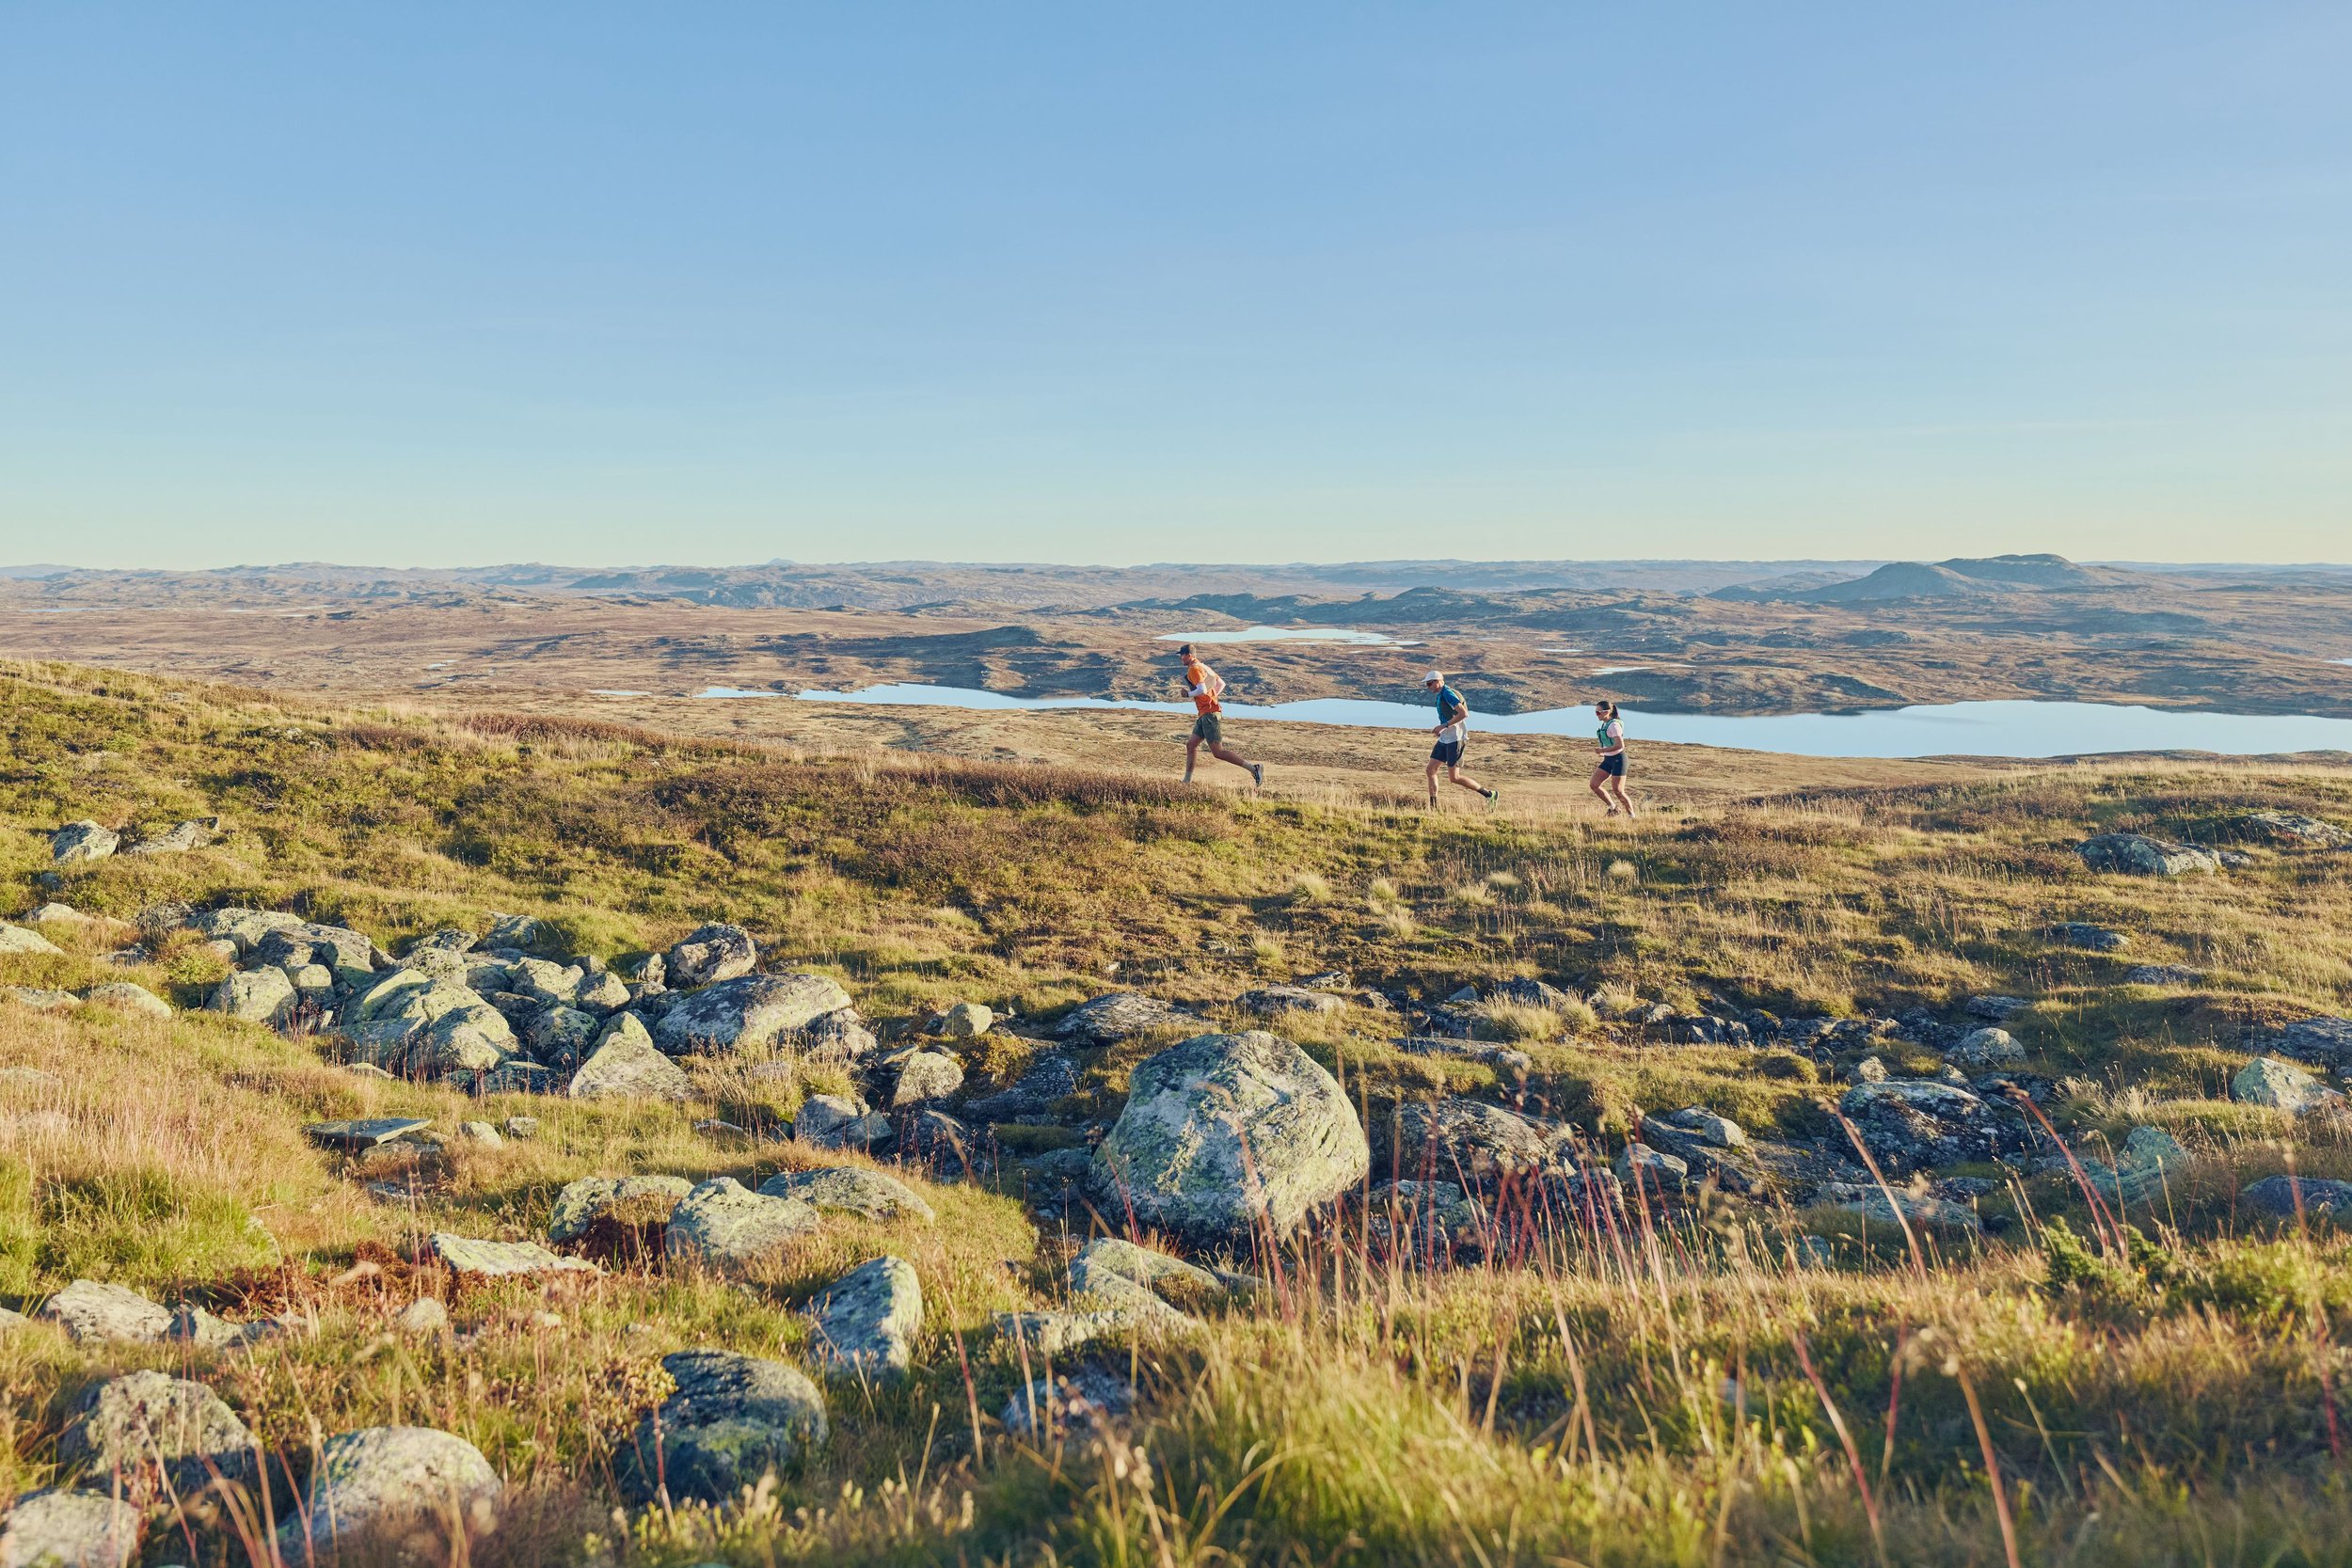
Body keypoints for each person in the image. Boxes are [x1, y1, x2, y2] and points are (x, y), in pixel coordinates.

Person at [1176, 644, 1264, 786]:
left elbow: (1202, 689)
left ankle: (1254, 769)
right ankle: (1186, 782)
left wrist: (1188, 694)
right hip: (1205, 713)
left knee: (1218, 752)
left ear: (1189, 655)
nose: (1180, 658)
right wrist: (1212, 697)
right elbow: (1221, 683)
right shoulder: (1204, 667)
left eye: (1182, 655)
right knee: (1191, 745)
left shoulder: (1194, 668)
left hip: (1209, 714)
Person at [1422, 671, 1499, 809]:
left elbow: (1463, 713)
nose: (1428, 687)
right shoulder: (1441, 695)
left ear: (1437, 681)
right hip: (1446, 738)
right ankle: (1433, 807)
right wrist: (1443, 729)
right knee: (1430, 770)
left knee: (1454, 778)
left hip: (1455, 739)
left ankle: (1489, 795)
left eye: (1429, 684)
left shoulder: (1448, 693)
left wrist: (1444, 726)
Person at [1590, 699, 1635, 816]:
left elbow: (1620, 745)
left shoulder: (1614, 725)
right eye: (1595, 712)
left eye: (1598, 712)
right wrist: (1603, 751)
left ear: (1607, 712)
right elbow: (1609, 742)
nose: (1596, 715)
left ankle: (1632, 817)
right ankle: (1613, 808)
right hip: (1608, 760)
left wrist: (1602, 750)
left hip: (1619, 759)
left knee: (1618, 791)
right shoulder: (1605, 724)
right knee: (1594, 785)